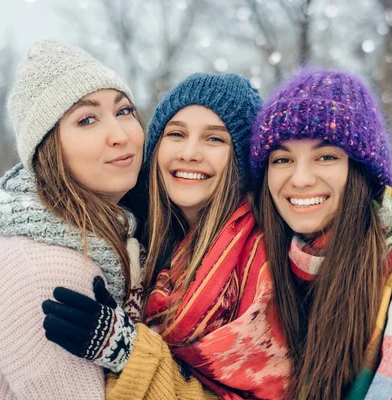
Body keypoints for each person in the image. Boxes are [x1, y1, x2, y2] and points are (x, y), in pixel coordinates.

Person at [42, 73, 293, 399]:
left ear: (240, 161)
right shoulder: (142, 244)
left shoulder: (267, 262)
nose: (189, 153)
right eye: (176, 134)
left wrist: (128, 352)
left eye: (214, 139)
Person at [0, 40, 145, 399]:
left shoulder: (105, 237)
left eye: (124, 111)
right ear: (49, 150)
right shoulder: (49, 267)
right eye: (87, 119)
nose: (120, 135)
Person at [250, 68, 392, 399]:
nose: (300, 178)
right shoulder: (266, 265)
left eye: (326, 156)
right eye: (282, 159)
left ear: (360, 172)